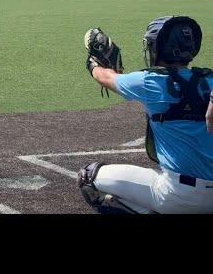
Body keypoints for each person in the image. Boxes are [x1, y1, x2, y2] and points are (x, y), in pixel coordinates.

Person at [79, 16, 213, 213]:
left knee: (88, 177)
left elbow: (105, 77)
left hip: (175, 196)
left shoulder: (149, 82)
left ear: (158, 48)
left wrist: (93, 63)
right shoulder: (209, 80)